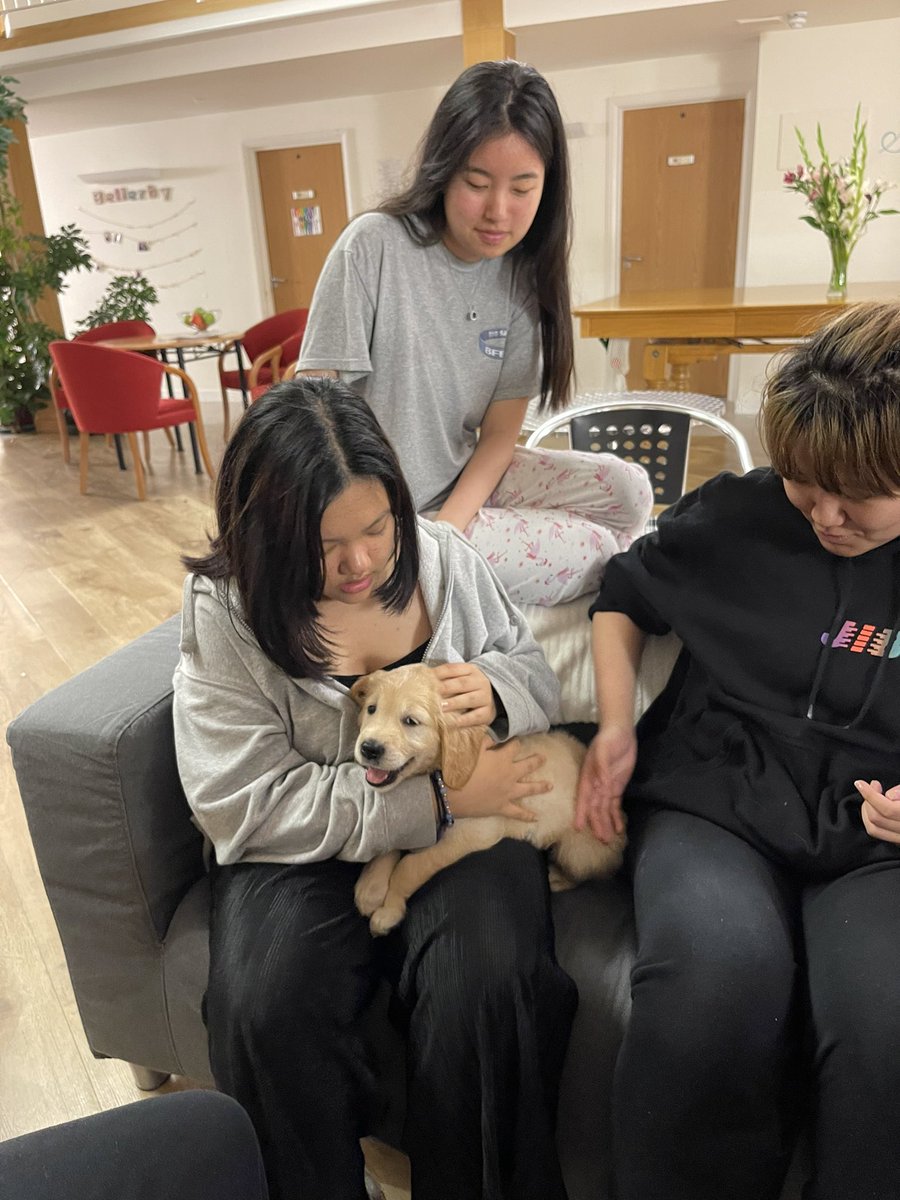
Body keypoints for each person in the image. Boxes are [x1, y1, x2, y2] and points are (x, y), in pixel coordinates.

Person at [172, 376, 578, 1200]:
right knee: (262, 1005)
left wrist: (497, 691)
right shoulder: (227, 611)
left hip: (467, 824)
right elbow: (237, 802)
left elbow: (533, 671)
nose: (361, 563)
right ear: (267, 537)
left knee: (487, 979)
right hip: (304, 844)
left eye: (377, 528)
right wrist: (429, 803)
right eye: (325, 545)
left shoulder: (441, 557)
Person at [575, 300, 900, 1200]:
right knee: (711, 989)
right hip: (721, 799)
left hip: (878, 843)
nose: (827, 515)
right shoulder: (739, 517)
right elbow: (624, 593)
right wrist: (612, 726)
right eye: (805, 484)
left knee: (886, 1030)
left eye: (859, 497)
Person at [298, 59, 651, 608]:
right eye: (477, 183)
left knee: (633, 492)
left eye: (522, 188)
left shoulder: (521, 279)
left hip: (457, 484)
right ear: (443, 170)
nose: (498, 212)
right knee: (603, 551)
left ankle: (454, 554)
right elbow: (312, 419)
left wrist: (452, 527)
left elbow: (498, 438)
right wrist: (413, 538)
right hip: (381, 515)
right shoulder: (374, 247)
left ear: (547, 188)